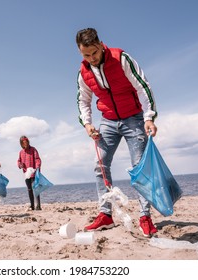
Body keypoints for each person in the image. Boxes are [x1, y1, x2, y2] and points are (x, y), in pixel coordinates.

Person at [76, 28, 158, 237]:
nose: (91, 58)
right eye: (86, 55)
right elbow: (83, 101)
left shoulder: (121, 58)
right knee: (100, 166)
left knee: (139, 169)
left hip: (133, 118)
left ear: (100, 44)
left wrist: (148, 117)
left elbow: (143, 86)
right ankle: (106, 215)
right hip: (108, 121)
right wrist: (87, 124)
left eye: (94, 52)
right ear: (80, 52)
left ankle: (145, 217)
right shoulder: (83, 72)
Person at [17, 136, 42, 211]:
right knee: (29, 189)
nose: (26, 144)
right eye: (24, 143)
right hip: (26, 174)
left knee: (36, 188)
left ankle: (38, 206)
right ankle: (32, 206)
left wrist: (37, 166)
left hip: (34, 172)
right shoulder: (21, 152)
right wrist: (20, 165)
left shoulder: (33, 149)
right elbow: (19, 161)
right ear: (21, 144)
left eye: (26, 142)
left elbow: (37, 159)